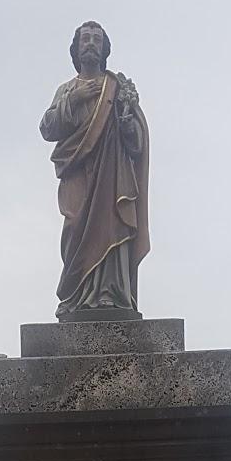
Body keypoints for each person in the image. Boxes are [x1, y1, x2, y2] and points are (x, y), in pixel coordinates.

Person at [40, 21, 150, 321]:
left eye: (96, 39)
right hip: (77, 173)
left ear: (104, 48)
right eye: (85, 38)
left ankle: (111, 296)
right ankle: (75, 297)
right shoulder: (68, 90)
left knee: (112, 227)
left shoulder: (116, 88)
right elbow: (47, 129)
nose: (90, 43)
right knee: (75, 227)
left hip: (112, 176)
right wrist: (73, 101)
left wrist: (128, 125)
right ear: (76, 48)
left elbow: (136, 142)